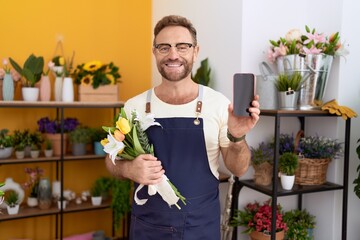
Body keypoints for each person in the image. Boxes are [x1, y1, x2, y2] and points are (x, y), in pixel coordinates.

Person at [105, 15, 260, 240]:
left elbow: (239, 169)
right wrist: (128, 169)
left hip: (200, 228)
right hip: (148, 228)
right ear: (154, 52)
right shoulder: (134, 107)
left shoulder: (218, 105)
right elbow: (110, 160)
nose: (173, 55)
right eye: (164, 47)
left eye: (182, 47)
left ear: (195, 51)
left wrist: (237, 137)